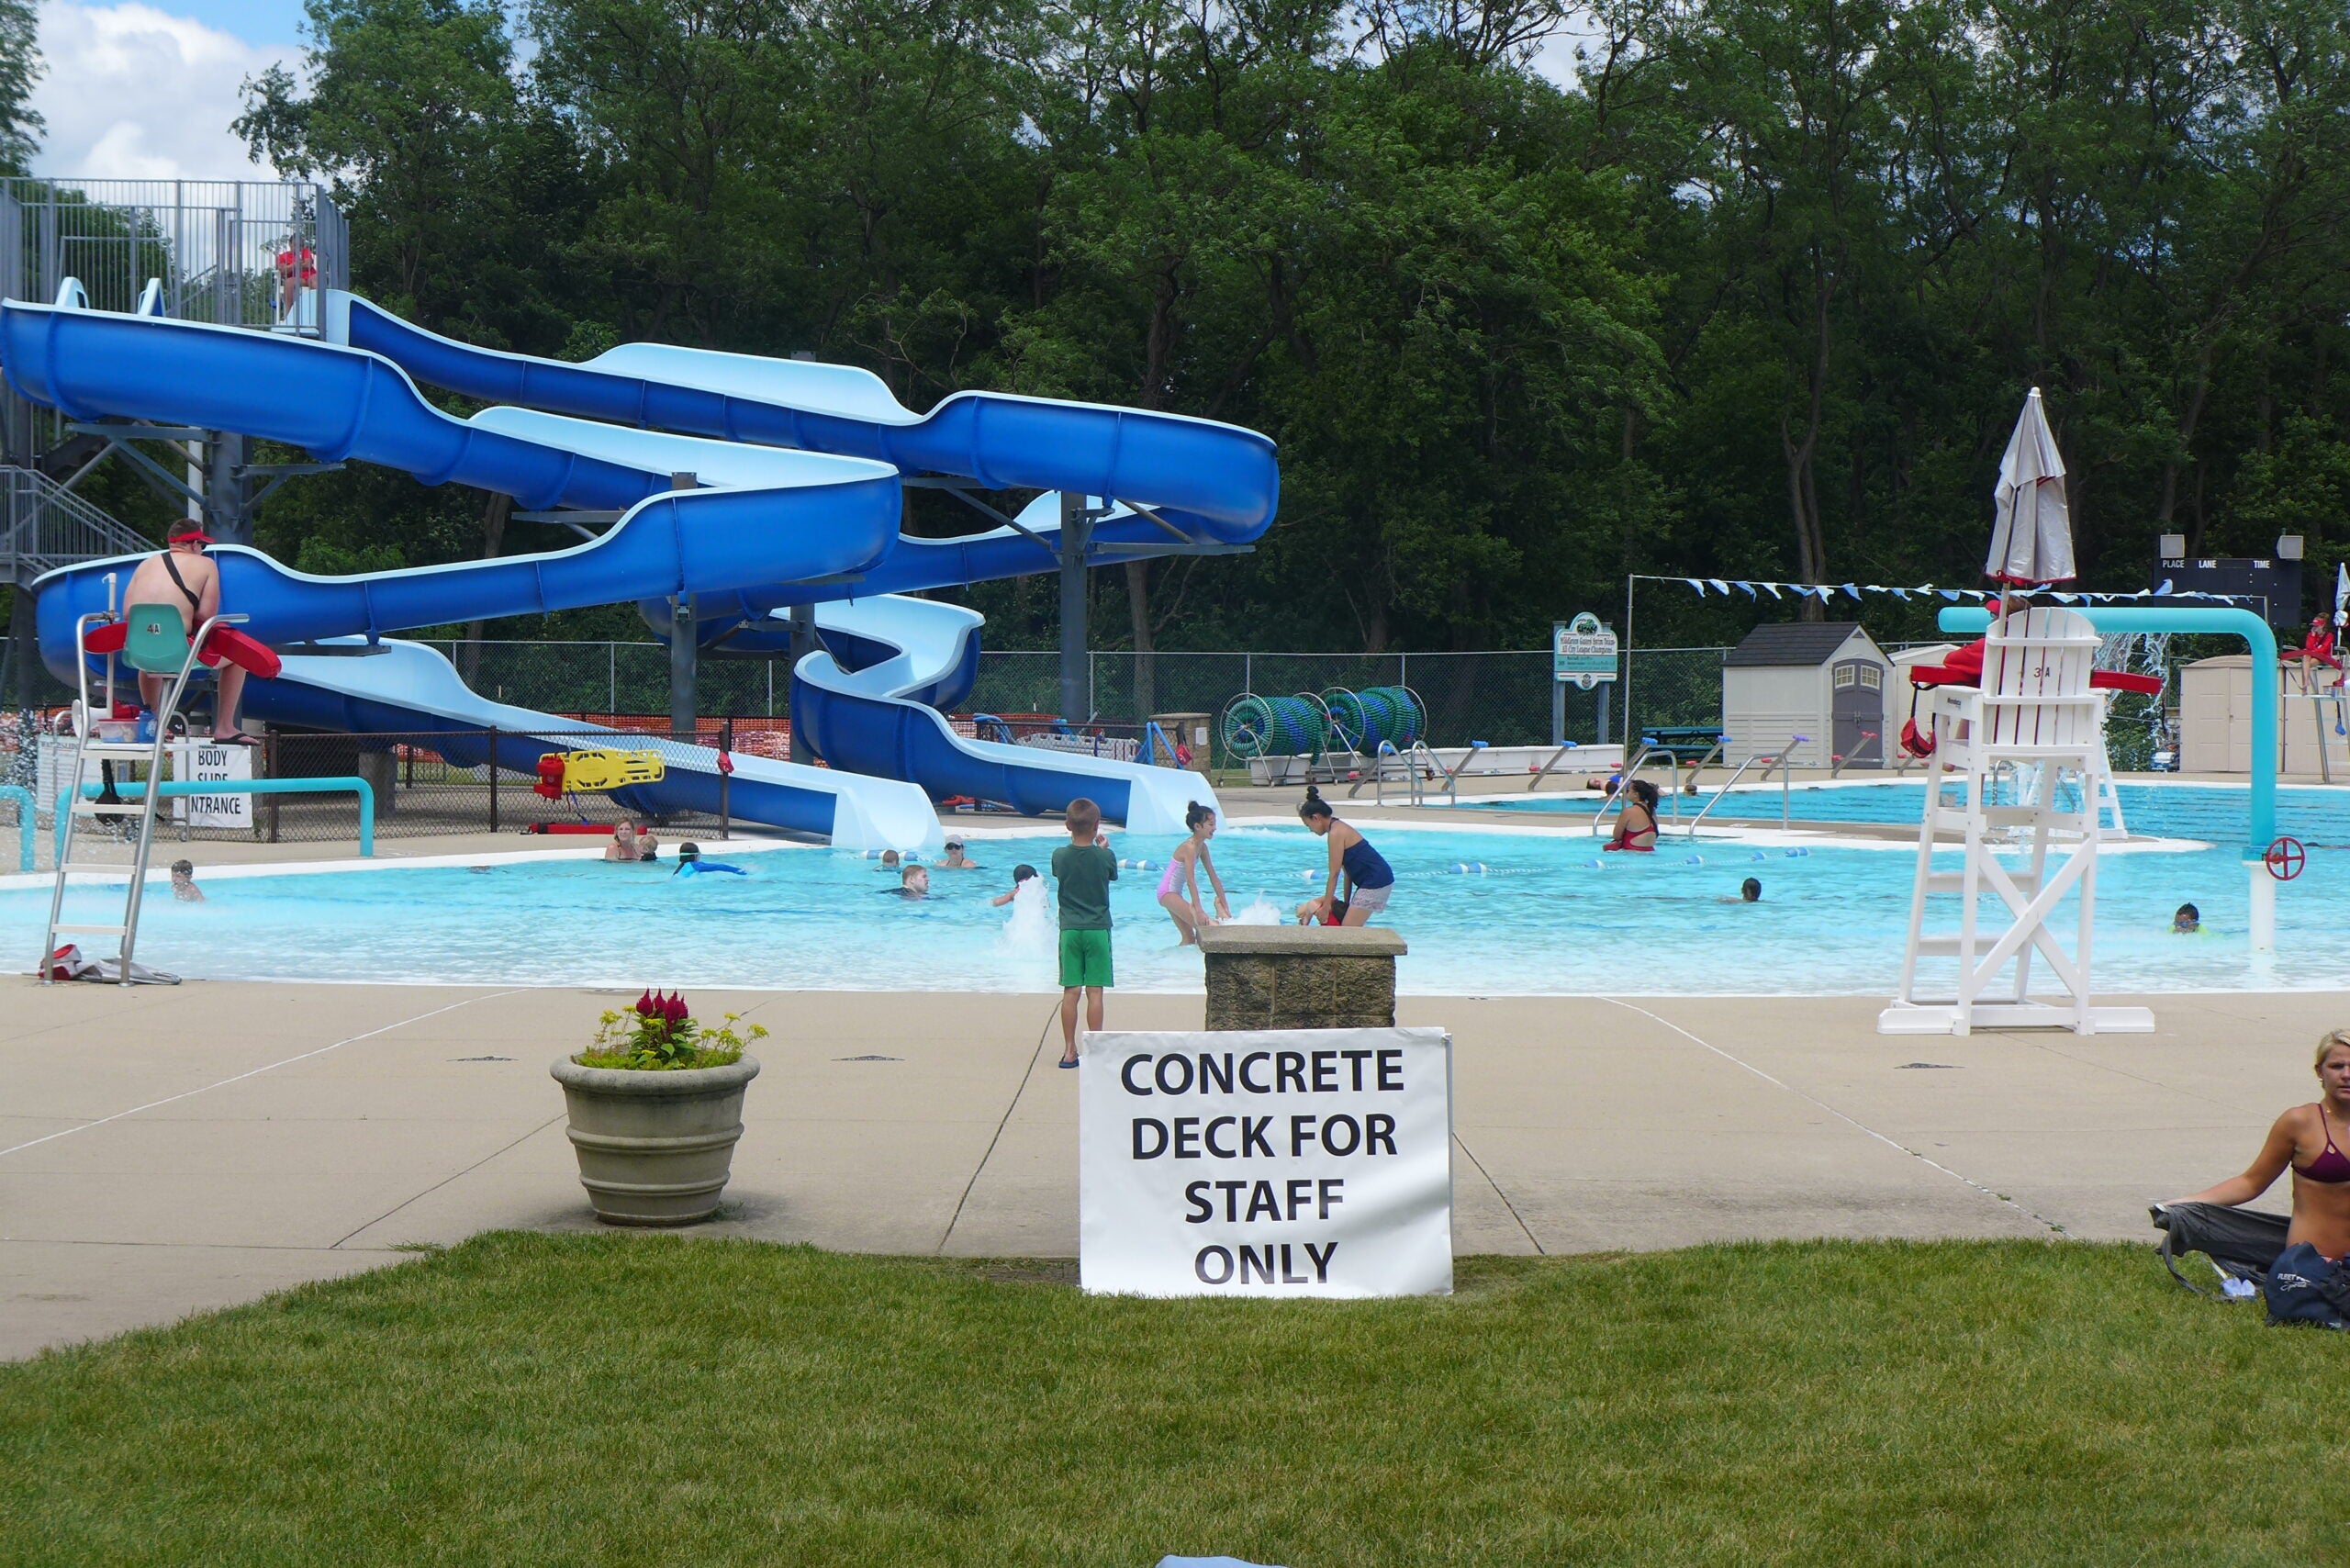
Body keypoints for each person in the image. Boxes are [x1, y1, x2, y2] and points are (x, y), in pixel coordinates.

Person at [2169, 1031, 2350, 1319]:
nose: (2346, 1075)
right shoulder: (2300, 1122)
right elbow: (2251, 1182)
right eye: (2337, 1066)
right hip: (2311, 1266)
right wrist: (2185, 1204)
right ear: (2319, 1071)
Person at [119, 524, 251, 742]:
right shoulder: (206, 565)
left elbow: (127, 613)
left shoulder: (145, 565)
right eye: (202, 545)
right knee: (239, 658)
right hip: (180, 652)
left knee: (151, 649)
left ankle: (152, 720)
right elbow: (206, 614)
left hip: (137, 654)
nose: (202, 550)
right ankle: (225, 727)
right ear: (193, 544)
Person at [1051, 797, 1117, 1069]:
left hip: (1070, 929)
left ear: (1068, 824)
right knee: (1095, 992)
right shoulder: (1105, 856)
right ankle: (1097, 1050)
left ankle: (1069, 1050)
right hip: (1098, 928)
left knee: (1071, 991)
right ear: (1097, 825)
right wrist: (1102, 849)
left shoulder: (1059, 855)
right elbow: (1110, 874)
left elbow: (1061, 873)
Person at [1296, 784, 1393, 927]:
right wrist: (1347, 903)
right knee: (1347, 924)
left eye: (1308, 825)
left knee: (1348, 930)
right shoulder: (1336, 827)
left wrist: (1327, 907)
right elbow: (1347, 873)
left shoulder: (1336, 833)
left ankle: (1315, 908)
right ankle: (1315, 908)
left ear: (1316, 818)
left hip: (1377, 880)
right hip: (1375, 879)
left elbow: (1334, 874)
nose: (1310, 830)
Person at [1158, 800, 1233, 946]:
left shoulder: (1202, 847)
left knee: (1190, 938)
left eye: (1215, 824)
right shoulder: (1189, 847)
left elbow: (1214, 877)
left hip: (1173, 894)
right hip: (1167, 893)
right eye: (1211, 824)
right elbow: (1190, 881)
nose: (1215, 828)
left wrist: (1225, 905)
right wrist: (1198, 910)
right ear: (1198, 826)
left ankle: (1169, 965)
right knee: (1208, 931)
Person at [1603, 778, 1660, 852]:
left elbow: (1616, 836)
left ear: (1636, 794)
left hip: (1631, 854)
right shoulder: (1652, 810)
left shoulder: (1628, 812)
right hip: (1650, 852)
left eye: (1628, 791)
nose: (1626, 793)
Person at [672, 841, 746, 878]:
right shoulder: (695, 865)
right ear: (695, 856)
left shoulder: (680, 868)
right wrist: (739, 871)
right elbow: (720, 867)